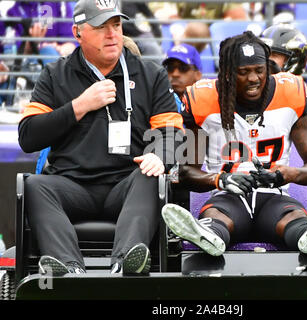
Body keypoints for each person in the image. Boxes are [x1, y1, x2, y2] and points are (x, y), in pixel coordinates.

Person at [18, 0, 184, 276]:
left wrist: (160, 155)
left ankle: (126, 262)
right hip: (72, 186)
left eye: (116, 25)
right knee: (34, 185)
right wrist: (79, 106)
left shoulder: (150, 74)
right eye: (101, 27)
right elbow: (28, 136)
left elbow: (173, 134)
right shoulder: (55, 74)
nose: (112, 34)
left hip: (127, 184)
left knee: (151, 173)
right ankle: (68, 268)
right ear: (77, 32)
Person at [161, 31, 307, 256]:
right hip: (227, 197)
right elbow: (185, 173)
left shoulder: (290, 93)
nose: (253, 78)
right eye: (243, 72)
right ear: (226, 75)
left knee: (292, 218)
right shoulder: (203, 101)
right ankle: (207, 234)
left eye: (259, 70)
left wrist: (287, 174)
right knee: (218, 218)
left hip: (275, 195)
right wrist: (220, 179)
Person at [260, 24, 307, 141]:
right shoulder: (247, 90)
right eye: (264, 53)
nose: (266, 60)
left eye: (274, 55)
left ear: (294, 60)